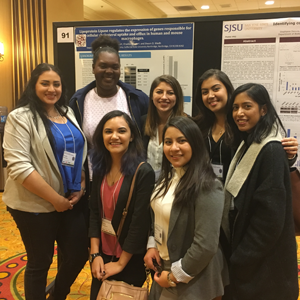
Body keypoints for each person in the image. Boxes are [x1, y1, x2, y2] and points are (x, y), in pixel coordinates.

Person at [2, 63, 88, 300]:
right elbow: (19, 167)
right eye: (45, 83)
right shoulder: (20, 117)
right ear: (33, 85)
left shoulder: (66, 112)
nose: (52, 89)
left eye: (56, 84)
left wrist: (80, 187)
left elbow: (77, 151)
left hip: (70, 200)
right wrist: (55, 200)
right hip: (35, 205)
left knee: (78, 254)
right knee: (40, 262)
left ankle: (57, 295)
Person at [222, 83, 299, 300]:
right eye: (235, 107)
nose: (239, 113)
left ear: (263, 110)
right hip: (251, 263)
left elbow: (269, 218)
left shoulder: (271, 149)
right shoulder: (248, 142)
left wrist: (241, 258)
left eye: (247, 106)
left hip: (263, 268)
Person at [144, 116, 229, 300]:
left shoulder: (208, 185)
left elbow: (205, 245)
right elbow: (156, 215)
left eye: (182, 141)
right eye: (168, 142)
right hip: (164, 266)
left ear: (195, 144)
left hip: (194, 276)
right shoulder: (166, 178)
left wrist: (175, 276)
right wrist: (152, 245)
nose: (174, 148)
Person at [69, 35, 149, 195]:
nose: (109, 71)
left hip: (128, 178)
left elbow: (148, 134)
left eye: (114, 66)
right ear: (93, 68)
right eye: (103, 66)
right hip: (91, 180)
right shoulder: (79, 101)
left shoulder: (136, 98)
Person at [88, 110, 155, 300]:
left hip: (129, 257)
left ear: (132, 135)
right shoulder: (100, 167)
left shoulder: (143, 172)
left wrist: (120, 263)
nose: (114, 136)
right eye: (108, 131)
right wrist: (94, 254)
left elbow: (139, 224)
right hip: (102, 255)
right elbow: (94, 212)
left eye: (121, 131)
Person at [194, 69, 298, 182]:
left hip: (236, 193)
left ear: (227, 90)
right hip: (204, 191)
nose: (210, 95)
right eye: (205, 92)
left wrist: (290, 155)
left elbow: (266, 158)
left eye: (216, 89)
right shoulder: (198, 125)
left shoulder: (243, 124)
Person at [142, 75, 186, 179]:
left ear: (177, 97)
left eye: (170, 93)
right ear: (152, 96)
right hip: (146, 186)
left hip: (175, 185)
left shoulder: (186, 124)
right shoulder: (142, 122)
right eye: (159, 92)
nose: (164, 97)